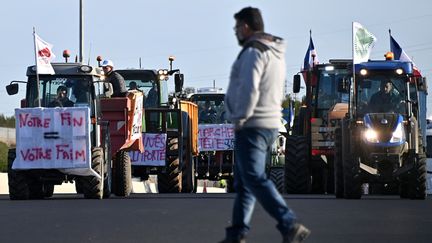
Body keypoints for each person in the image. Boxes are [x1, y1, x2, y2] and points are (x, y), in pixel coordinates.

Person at [221, 7, 310, 243]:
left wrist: (240, 118)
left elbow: (249, 88)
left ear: (247, 27)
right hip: (269, 122)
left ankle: (289, 224)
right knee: (245, 183)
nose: (235, 32)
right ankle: (237, 233)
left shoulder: (253, 52)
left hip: (253, 124)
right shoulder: (273, 51)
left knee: (254, 179)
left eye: (237, 27)